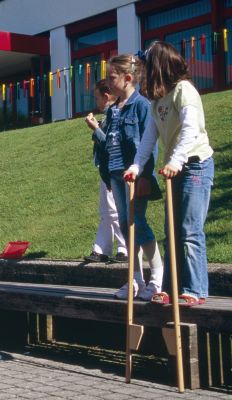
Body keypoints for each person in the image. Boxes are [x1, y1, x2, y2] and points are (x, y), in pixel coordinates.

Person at [124, 41, 214, 307]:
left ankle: (194, 289)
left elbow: (190, 130)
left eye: (147, 66)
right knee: (171, 231)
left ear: (158, 66)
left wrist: (176, 160)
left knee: (188, 229)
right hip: (174, 169)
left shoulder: (184, 91)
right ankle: (172, 288)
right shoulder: (157, 100)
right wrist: (137, 166)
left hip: (195, 164)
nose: (144, 72)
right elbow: (148, 139)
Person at [91, 54, 164, 301]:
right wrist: (97, 133)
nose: (108, 83)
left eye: (112, 77)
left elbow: (149, 144)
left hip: (135, 176)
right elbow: (108, 142)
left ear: (128, 78)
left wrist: (145, 175)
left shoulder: (142, 106)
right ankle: (135, 279)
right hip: (115, 175)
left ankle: (157, 278)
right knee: (124, 226)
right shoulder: (113, 110)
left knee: (137, 223)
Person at [84, 80, 128, 264]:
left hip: (114, 168)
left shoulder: (114, 114)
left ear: (106, 96)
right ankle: (101, 248)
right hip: (107, 169)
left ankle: (124, 247)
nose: (96, 102)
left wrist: (96, 129)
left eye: (97, 97)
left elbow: (110, 144)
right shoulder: (109, 115)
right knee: (106, 210)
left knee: (113, 209)